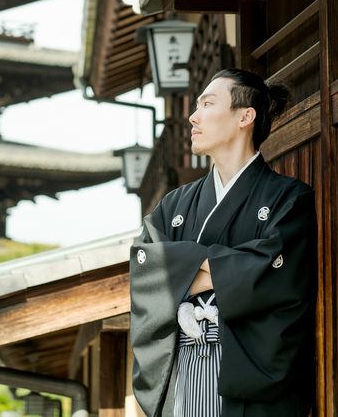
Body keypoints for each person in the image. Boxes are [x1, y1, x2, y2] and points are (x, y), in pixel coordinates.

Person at [130, 69, 316, 417]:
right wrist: (234, 267)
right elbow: (146, 270)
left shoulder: (288, 199)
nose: (193, 116)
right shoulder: (174, 206)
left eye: (207, 104)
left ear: (245, 117)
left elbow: (275, 276)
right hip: (185, 371)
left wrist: (181, 269)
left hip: (246, 376)